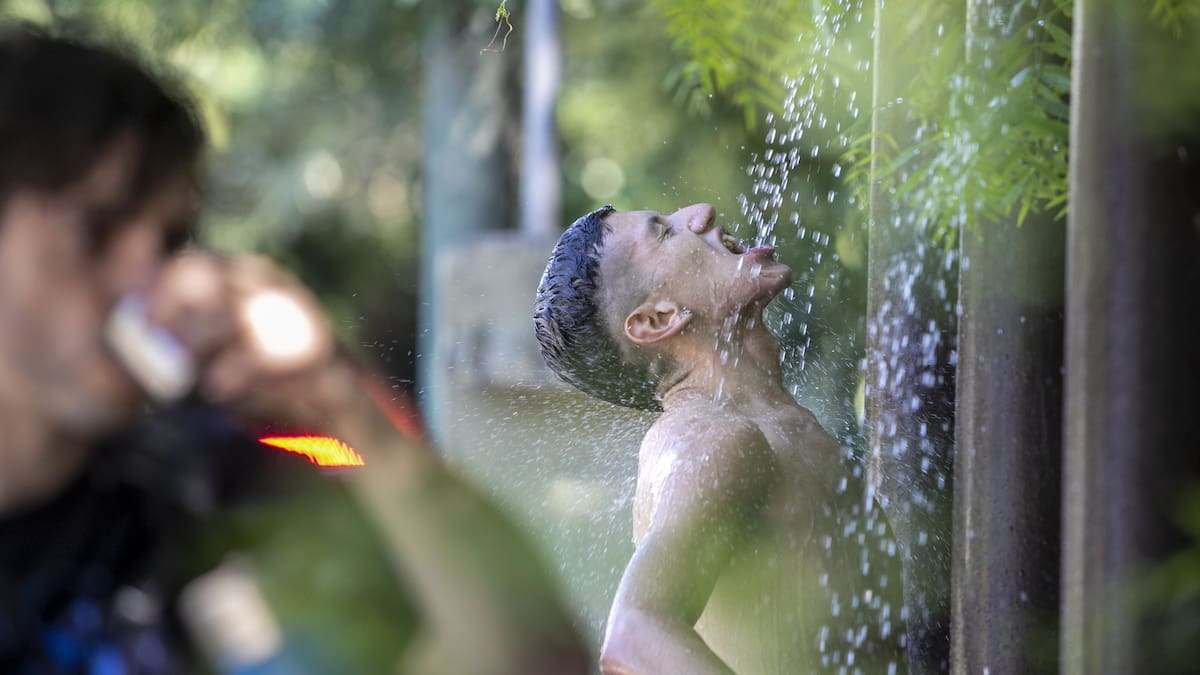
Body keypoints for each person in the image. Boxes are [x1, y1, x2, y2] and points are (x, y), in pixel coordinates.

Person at [0, 24, 588, 674]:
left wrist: (352, 411)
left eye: (171, 241)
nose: (153, 281)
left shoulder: (206, 499)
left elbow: (535, 660)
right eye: (99, 227)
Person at [534, 204, 907, 674]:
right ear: (658, 318)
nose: (701, 214)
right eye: (665, 232)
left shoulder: (766, 425)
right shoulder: (715, 439)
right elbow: (635, 634)